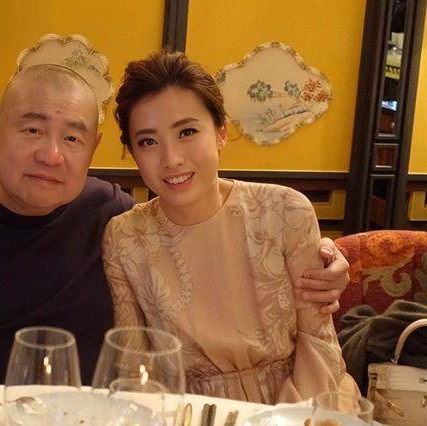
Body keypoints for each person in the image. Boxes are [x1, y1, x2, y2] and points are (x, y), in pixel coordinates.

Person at [0, 61, 348, 386]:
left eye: (72, 138)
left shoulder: (107, 214)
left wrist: (324, 256)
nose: (51, 154)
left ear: (92, 150)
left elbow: (202, 230)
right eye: (32, 129)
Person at [102, 51, 360, 403]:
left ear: (221, 132)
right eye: (148, 141)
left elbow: (319, 347)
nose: (171, 159)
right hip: (188, 413)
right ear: (133, 152)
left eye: (187, 132)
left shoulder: (285, 211)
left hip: (305, 402)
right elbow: (134, 367)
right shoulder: (124, 237)